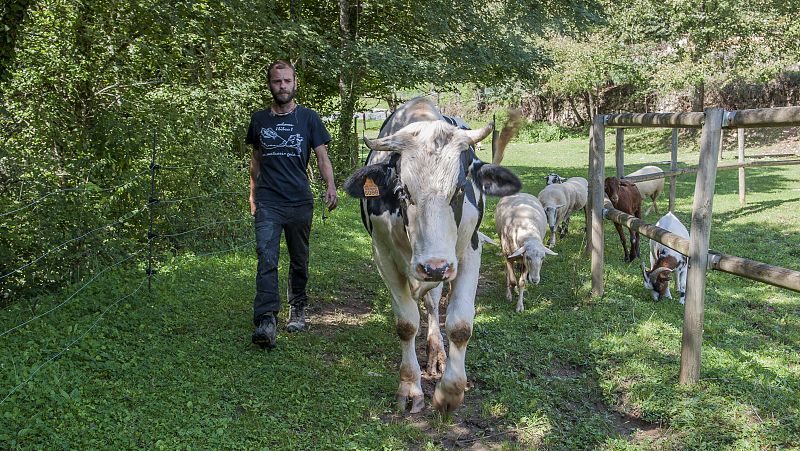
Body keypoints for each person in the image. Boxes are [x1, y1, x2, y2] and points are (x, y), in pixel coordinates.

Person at [246, 60, 337, 349]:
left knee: (299, 259)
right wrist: (252, 194)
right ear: (269, 85)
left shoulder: (309, 119)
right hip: (268, 201)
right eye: (276, 81)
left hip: (299, 201)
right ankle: (266, 319)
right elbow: (256, 161)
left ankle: (297, 307)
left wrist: (330, 186)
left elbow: (322, 157)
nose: (282, 86)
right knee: (266, 258)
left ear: (295, 83)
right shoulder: (259, 120)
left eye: (287, 81)